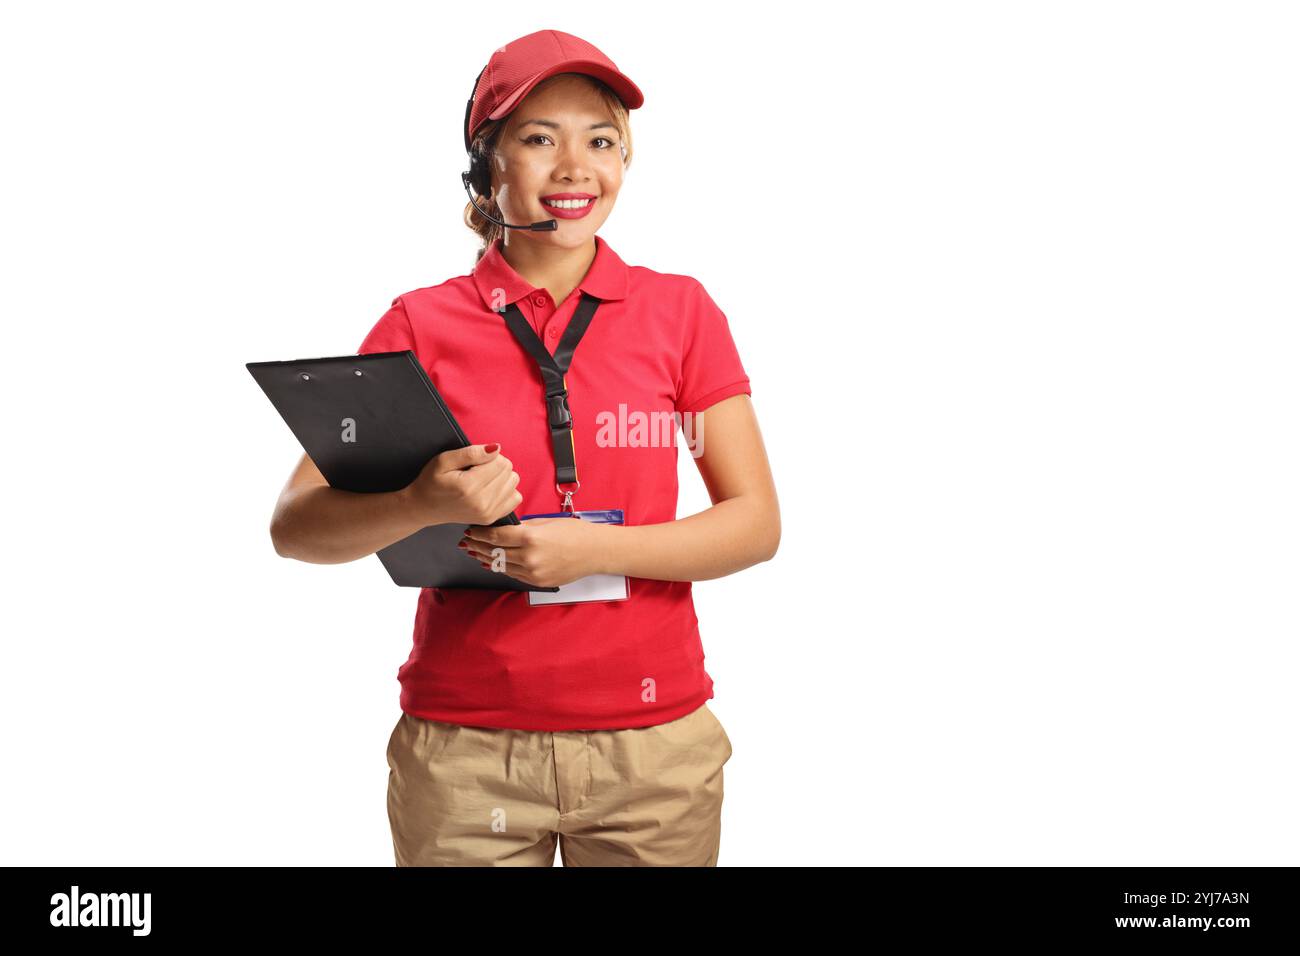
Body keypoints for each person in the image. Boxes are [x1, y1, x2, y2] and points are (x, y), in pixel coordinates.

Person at [268, 29, 780, 866]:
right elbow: (296, 526)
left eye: (601, 140)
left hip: (652, 748)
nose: (576, 166)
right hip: (466, 754)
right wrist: (415, 503)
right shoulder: (417, 324)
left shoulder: (682, 313)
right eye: (539, 138)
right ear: (484, 166)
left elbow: (755, 523)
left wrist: (594, 548)